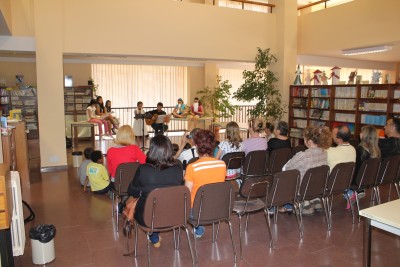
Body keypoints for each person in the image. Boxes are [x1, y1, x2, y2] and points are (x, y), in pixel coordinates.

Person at [127, 134, 183, 248]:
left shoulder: (143, 169)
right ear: (169, 150)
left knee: (149, 203)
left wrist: (142, 190)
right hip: (174, 214)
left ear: (152, 150)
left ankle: (154, 235)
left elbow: (132, 191)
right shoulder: (178, 167)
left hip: (148, 217)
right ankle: (154, 234)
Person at [279, 126, 332, 214]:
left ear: (310, 142)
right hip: (317, 187)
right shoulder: (324, 153)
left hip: (303, 189)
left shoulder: (303, 155)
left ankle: (297, 204)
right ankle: (312, 200)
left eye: (304, 139)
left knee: (283, 176)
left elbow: (287, 168)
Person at [185, 129, 226, 238]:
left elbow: (187, 194)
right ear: (213, 145)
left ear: (197, 145)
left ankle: (199, 228)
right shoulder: (222, 165)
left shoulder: (192, 167)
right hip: (217, 208)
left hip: (197, 212)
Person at [346, 125, 381, 206]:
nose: (359, 133)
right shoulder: (376, 151)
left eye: (361, 132)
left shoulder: (359, 150)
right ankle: (359, 191)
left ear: (363, 135)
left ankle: (351, 193)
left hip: (357, 180)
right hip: (370, 179)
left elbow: (355, 167)